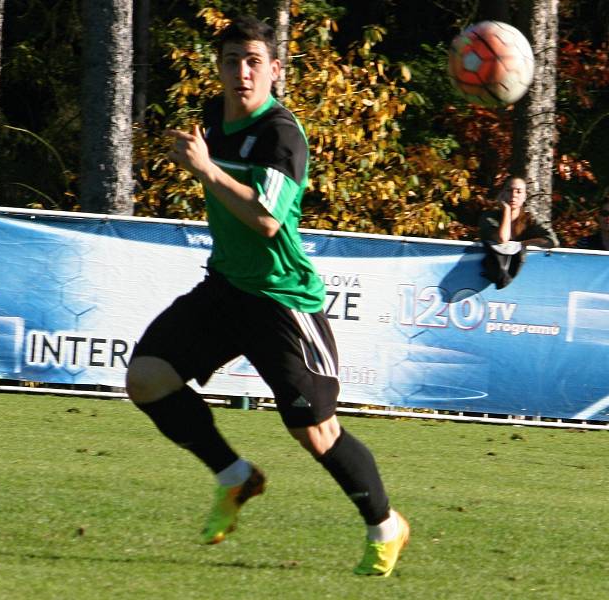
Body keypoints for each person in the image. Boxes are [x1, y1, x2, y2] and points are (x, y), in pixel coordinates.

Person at [125, 16, 408, 577]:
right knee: (147, 379)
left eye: (254, 61)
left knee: (315, 431)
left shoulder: (282, 133)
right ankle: (235, 478)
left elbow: (266, 219)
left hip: (283, 300)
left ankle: (385, 526)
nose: (242, 72)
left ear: (275, 70)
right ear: (220, 68)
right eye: (232, 61)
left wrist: (205, 169)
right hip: (228, 287)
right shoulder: (213, 116)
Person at [478, 175, 558, 248]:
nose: (514, 195)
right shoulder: (489, 217)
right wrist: (507, 210)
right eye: (509, 190)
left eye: (519, 192)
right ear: (502, 194)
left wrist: (520, 245)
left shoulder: (530, 220)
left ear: (525, 196)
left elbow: (552, 240)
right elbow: (502, 239)